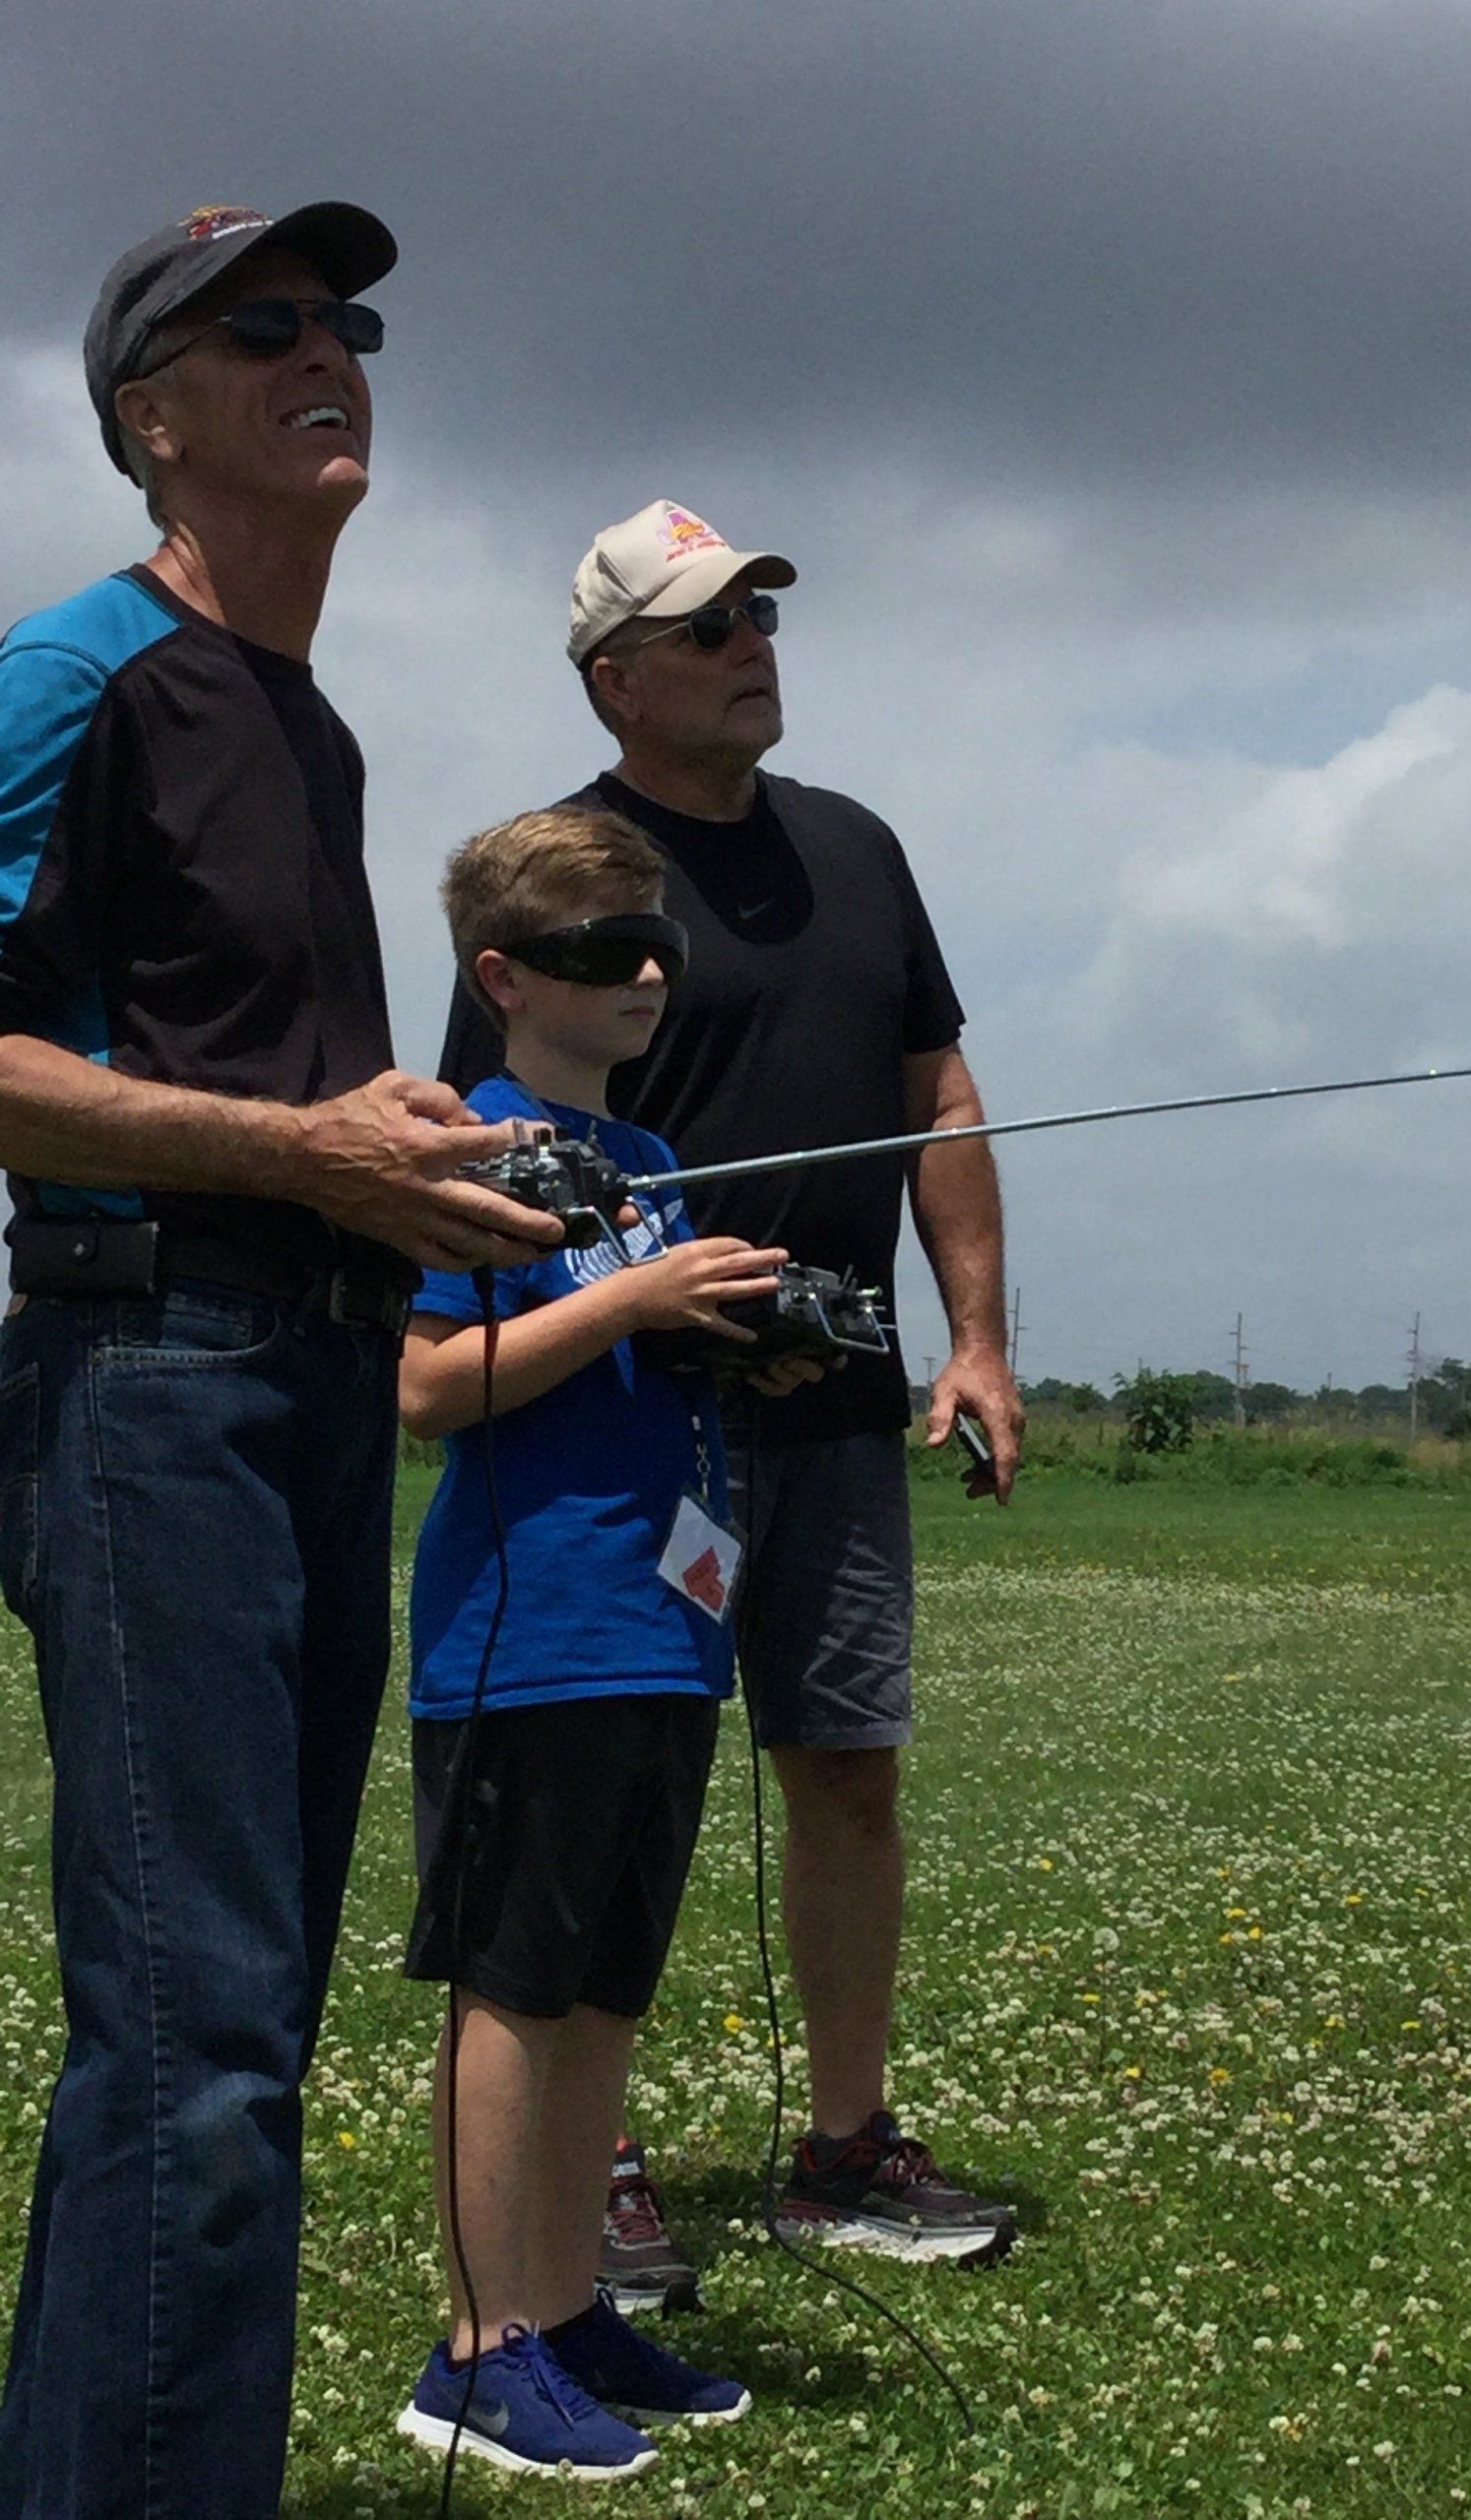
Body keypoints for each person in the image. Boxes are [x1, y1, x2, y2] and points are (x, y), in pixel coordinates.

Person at [0, 204, 558, 2520]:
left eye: (352, 320)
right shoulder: (77, 672)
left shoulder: (306, 725)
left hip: (311, 1385)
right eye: (266, 325)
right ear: (152, 415)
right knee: (199, 2045)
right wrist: (297, 1150)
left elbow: (262, 1090)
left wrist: (393, 1158)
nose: (331, 349)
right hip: (154, 1382)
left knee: (226, 2041)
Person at [440, 498, 1028, 2279]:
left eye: (761, 616)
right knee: (622, 1777)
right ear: (614, 678)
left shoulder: (858, 849)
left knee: (847, 1765)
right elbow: (494, 1160)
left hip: (835, 1404)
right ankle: (589, 2170)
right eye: (707, 628)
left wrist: (976, 1338)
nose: (751, 648)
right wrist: (654, 1308)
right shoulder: (562, 880)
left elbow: (939, 1096)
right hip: (634, 1427)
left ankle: (845, 2147)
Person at [395, 804, 771, 2478]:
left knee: (607, 1988)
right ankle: (476, 2351)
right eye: (600, 952)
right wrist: (631, 1299)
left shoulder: (647, 1158)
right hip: (529, 1629)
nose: (644, 977)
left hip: (663, 1626)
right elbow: (426, 1388)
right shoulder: (468, 1143)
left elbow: (622, 1353)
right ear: (502, 978)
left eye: (658, 947)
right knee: (516, 1987)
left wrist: (735, 1338)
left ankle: (563, 2305)